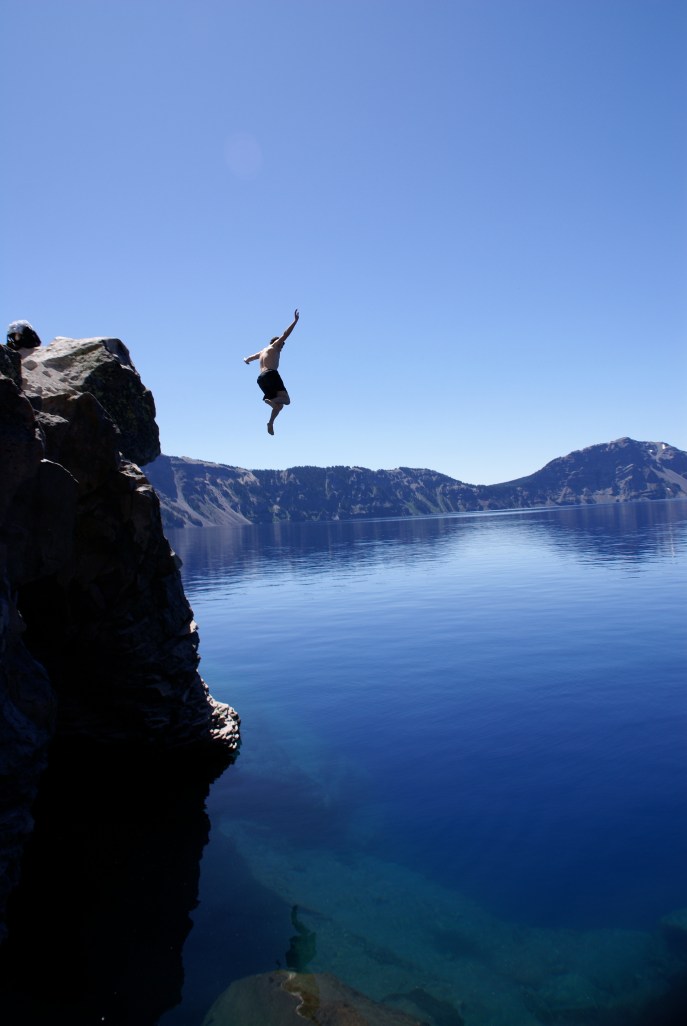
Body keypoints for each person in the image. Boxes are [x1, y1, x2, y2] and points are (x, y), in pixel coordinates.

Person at [244, 309, 299, 435]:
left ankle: (270, 423)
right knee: (287, 400)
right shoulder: (274, 346)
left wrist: (246, 360)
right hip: (271, 374)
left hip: (261, 379)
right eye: (281, 345)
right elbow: (285, 334)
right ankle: (271, 402)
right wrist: (295, 321)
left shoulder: (262, 351)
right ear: (276, 342)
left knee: (279, 406)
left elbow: (251, 357)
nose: (282, 347)